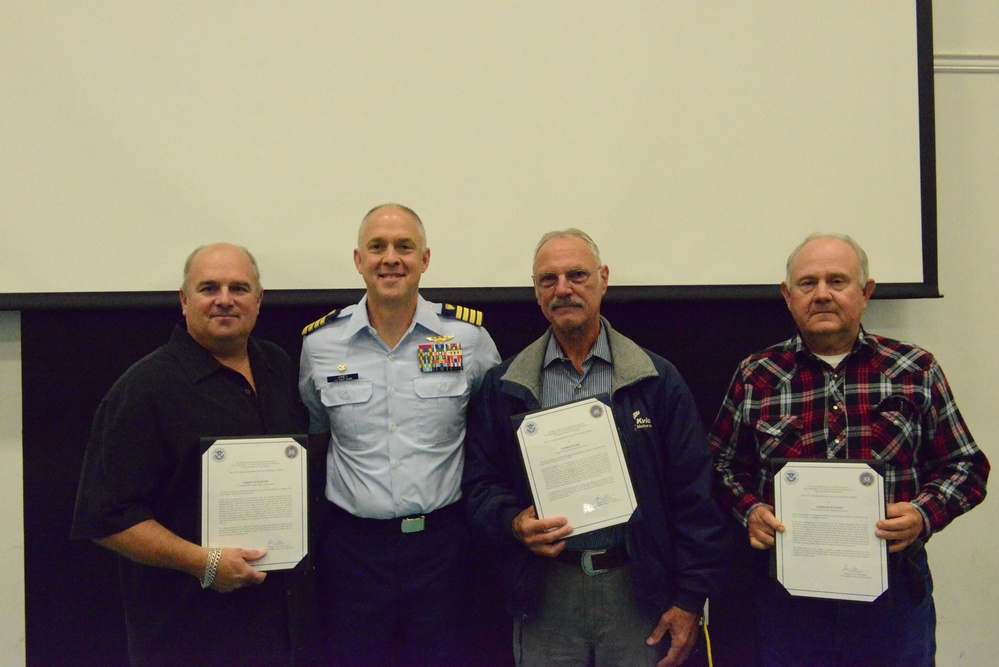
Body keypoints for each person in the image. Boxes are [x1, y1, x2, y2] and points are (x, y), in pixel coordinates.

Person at [709, 232, 990, 666]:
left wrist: (922, 514)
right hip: (788, 598)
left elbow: (967, 466)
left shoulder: (915, 369)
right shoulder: (756, 374)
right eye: (807, 283)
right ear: (788, 296)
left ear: (865, 292)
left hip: (893, 598)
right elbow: (719, 464)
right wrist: (749, 510)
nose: (822, 294)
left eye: (837, 281)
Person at [462, 228, 729, 667]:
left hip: (638, 591)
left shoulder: (657, 380)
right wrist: (512, 523)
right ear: (535, 291)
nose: (562, 289)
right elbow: (479, 483)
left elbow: (694, 496)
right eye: (548, 279)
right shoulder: (506, 385)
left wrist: (689, 599)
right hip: (546, 592)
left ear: (603, 279)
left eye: (577, 275)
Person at [72, 243, 308, 666]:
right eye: (208, 288)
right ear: (184, 300)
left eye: (239, 288)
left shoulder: (276, 366)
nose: (224, 299)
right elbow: (106, 517)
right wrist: (203, 562)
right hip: (184, 633)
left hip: (274, 627)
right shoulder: (145, 389)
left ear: (258, 301)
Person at [298, 203, 501, 666]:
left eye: (404, 247)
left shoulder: (467, 339)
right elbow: (317, 433)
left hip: (444, 550)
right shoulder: (320, 345)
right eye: (378, 247)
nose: (391, 258)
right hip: (353, 554)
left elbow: (493, 432)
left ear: (425, 259)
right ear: (358, 260)